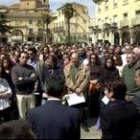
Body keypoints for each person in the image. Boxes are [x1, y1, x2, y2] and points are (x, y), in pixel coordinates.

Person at [11, 52, 37, 119]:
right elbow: (16, 82)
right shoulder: (14, 69)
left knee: (33, 115)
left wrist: (22, 78)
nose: (24, 59)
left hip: (30, 94)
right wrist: (29, 79)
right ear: (19, 58)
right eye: (23, 57)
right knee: (22, 116)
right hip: (20, 95)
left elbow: (34, 79)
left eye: (26, 57)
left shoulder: (31, 68)